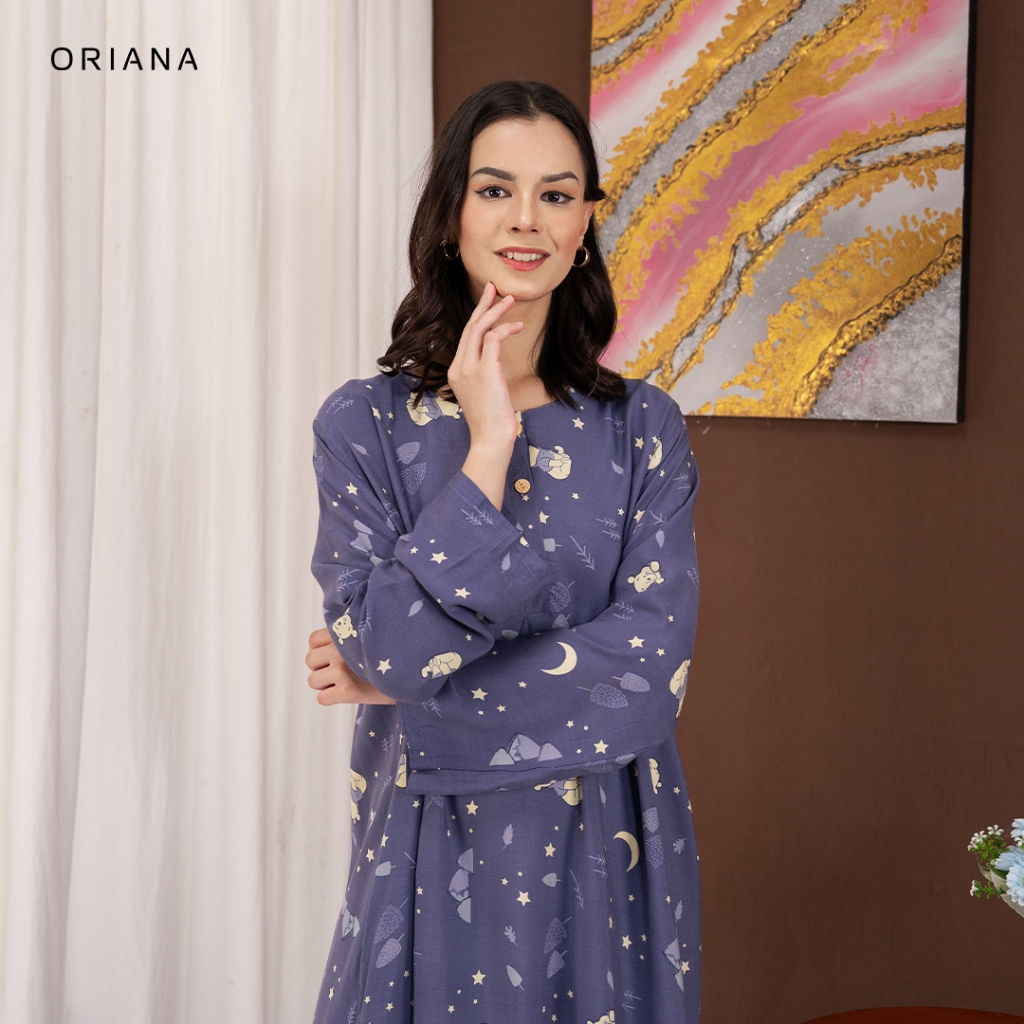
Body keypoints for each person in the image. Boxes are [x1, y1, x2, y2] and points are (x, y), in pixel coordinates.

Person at [304, 79, 700, 1024]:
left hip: (609, 842)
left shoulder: (644, 429)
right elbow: (389, 651)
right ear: (452, 213)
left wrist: (409, 686)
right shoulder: (362, 426)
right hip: (426, 845)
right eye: (495, 189)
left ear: (584, 223)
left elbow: (651, 672)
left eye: (555, 194)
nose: (526, 218)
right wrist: (487, 447)